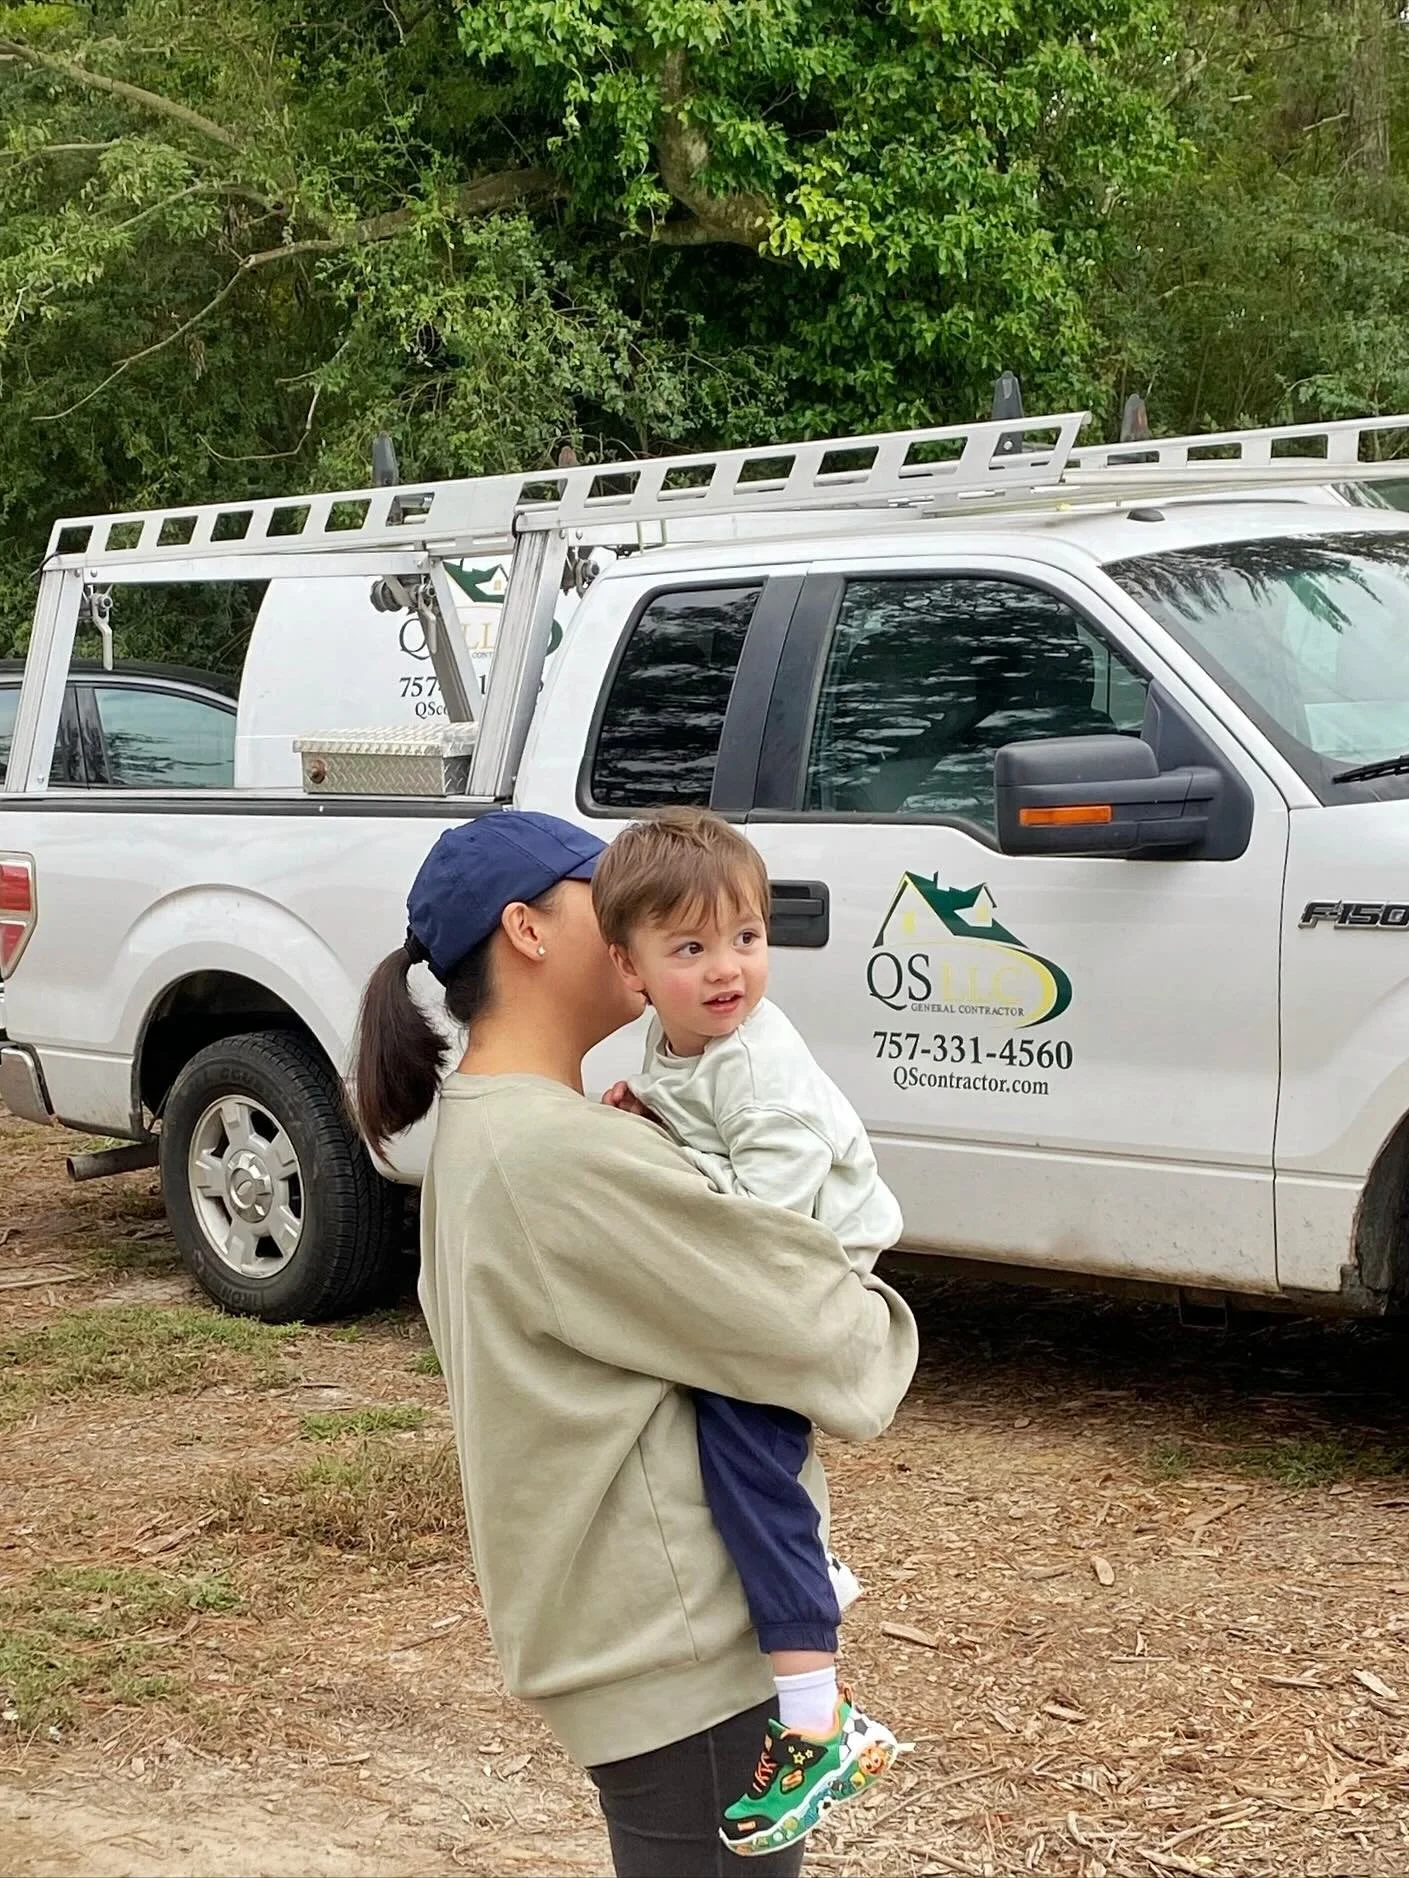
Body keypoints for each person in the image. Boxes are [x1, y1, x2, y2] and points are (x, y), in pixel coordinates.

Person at [352, 809, 918, 1878]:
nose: (639, 921)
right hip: (673, 1652)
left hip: (646, 1638)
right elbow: (839, 1342)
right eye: (603, 892)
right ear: (527, 930)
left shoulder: (510, 1128)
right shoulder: (555, 1155)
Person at [593, 808, 907, 1855]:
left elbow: (764, 1216)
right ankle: (804, 1579)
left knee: (742, 1450)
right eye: (688, 949)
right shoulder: (671, 1044)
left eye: (745, 939)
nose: (726, 969)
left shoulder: (757, 1065)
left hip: (810, 1266)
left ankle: (816, 1720)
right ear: (631, 970)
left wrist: (664, 1163)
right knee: (717, 1450)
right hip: (759, 1274)